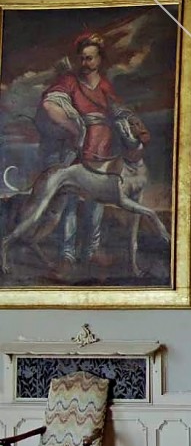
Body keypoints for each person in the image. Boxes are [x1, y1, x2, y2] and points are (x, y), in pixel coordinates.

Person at [37, 32, 150, 270]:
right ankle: (67, 255)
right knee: (69, 200)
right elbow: (49, 103)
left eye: (90, 58)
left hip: (102, 148)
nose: (85, 63)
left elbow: (120, 112)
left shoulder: (105, 85)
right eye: (82, 58)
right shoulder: (70, 81)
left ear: (99, 59)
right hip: (76, 148)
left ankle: (91, 251)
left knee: (96, 201)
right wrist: (74, 127)